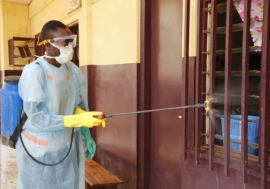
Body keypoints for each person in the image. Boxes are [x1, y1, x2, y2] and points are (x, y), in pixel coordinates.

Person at [16, 20, 106, 189]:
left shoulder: (73, 71)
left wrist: (86, 133)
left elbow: (78, 106)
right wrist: (74, 121)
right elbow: (36, 118)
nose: (70, 47)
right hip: (39, 150)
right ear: (48, 45)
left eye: (71, 41)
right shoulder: (34, 73)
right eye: (65, 42)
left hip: (65, 147)